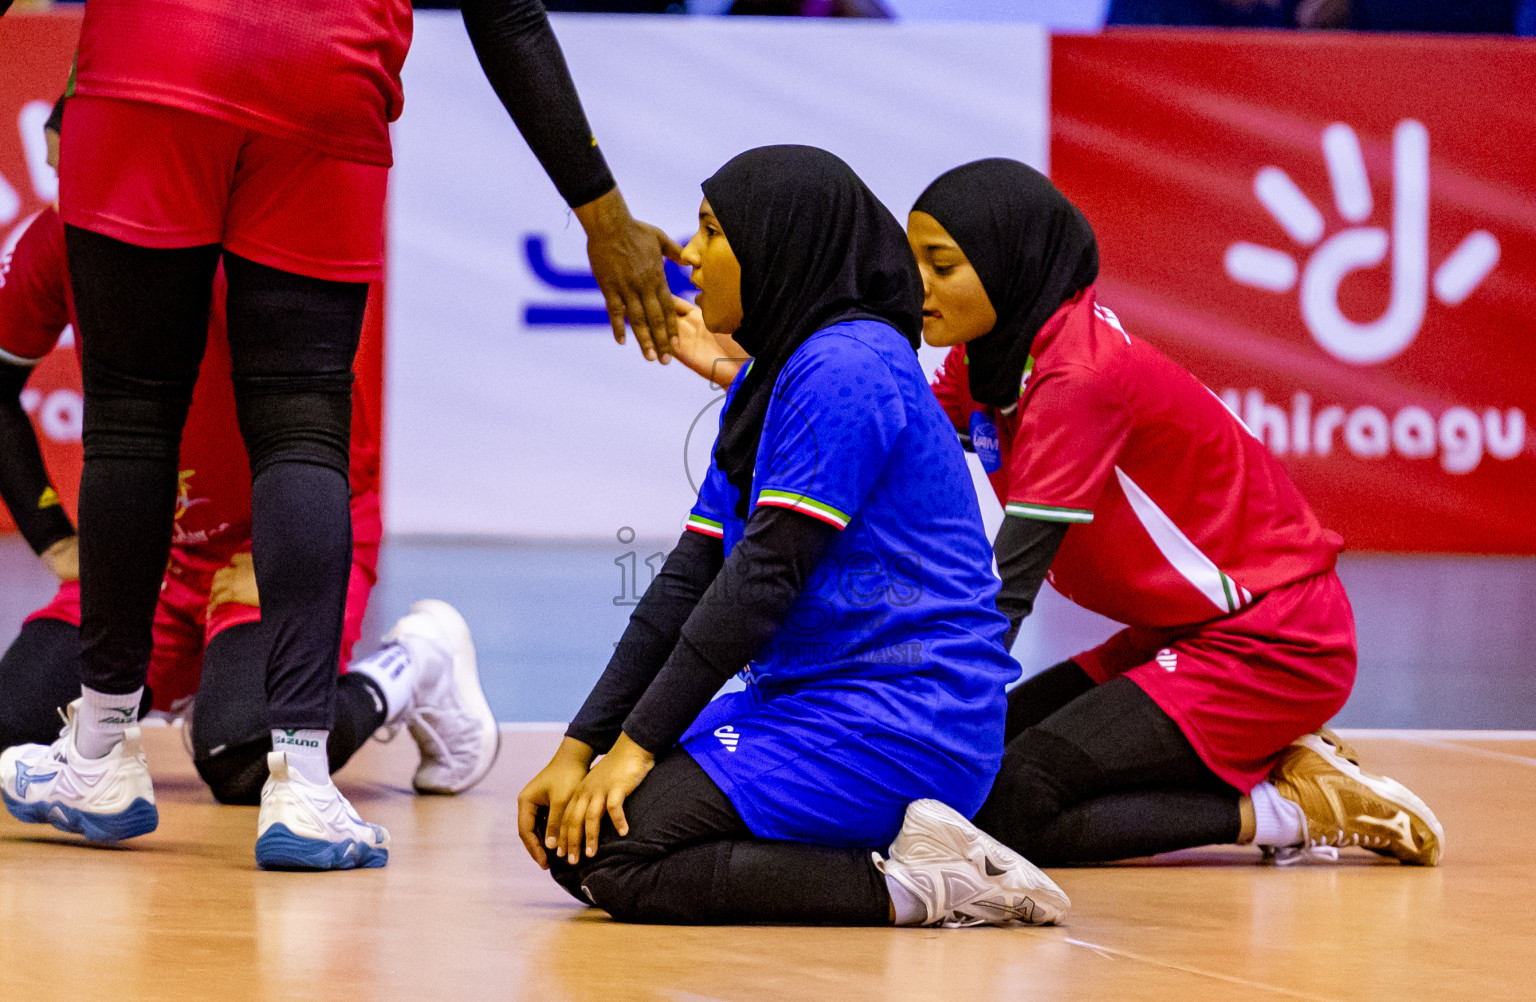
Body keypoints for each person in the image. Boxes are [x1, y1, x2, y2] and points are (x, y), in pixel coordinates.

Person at [50, 0, 677, 870]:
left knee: (131, 412)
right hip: (327, 68)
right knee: (305, 419)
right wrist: (601, 213)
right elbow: (508, 13)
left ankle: (100, 755)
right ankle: (303, 784)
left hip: (157, 54)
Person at [517, 145, 1068, 928]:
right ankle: (895, 863)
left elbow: (763, 576)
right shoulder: (770, 376)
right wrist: (581, 746)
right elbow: (690, 576)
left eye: (711, 232)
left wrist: (635, 749)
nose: (693, 256)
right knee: (570, 833)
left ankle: (929, 884)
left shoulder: (848, 364)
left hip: (907, 714)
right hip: (812, 700)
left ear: (779, 243)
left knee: (617, 854)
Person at [908, 158, 1443, 867]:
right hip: (1180, 633)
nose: (917, 286)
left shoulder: (1077, 380)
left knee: (1010, 801)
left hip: (1273, 643)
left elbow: (1008, 589)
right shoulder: (996, 357)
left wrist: (918, 713)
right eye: (910, 259)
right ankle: (1274, 756)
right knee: (972, 773)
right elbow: (893, 432)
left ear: (1012, 264)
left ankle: (1291, 811)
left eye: (939, 265)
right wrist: (744, 370)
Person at [0, 103, 498, 865]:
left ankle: (412, 665)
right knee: (12, 724)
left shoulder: (246, 252)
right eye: (61, 174)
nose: (74, 200)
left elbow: (334, 453)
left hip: (268, 551)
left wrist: (280, 556)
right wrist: (53, 537)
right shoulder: (60, 240)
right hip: (149, 559)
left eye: (84, 172)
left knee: (239, 760)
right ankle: (198, 683)